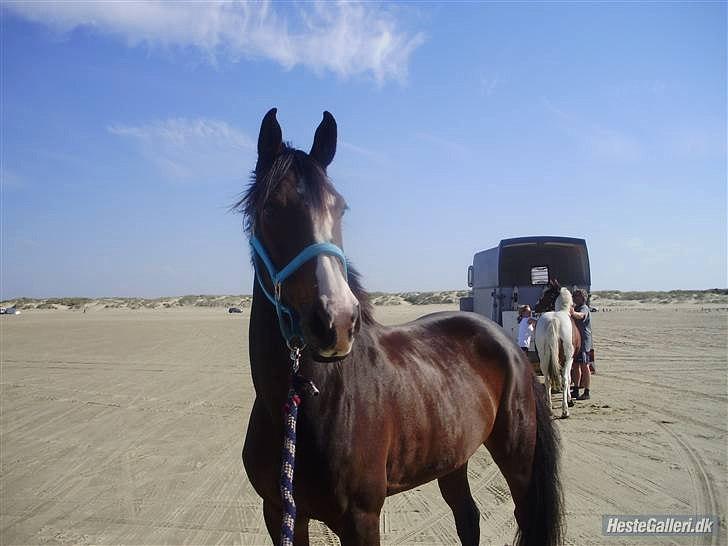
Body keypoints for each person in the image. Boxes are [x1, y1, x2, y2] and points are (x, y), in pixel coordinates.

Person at [570, 288, 593, 400]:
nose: (575, 298)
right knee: (575, 366)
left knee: (584, 366)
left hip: (583, 342)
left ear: (583, 298)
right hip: (576, 343)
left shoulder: (584, 308)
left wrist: (573, 313)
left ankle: (587, 391)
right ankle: (576, 388)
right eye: (574, 296)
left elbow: (581, 316)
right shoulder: (577, 307)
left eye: (577, 297)